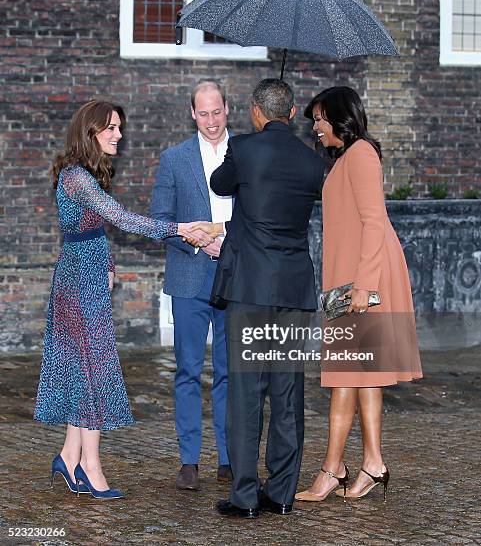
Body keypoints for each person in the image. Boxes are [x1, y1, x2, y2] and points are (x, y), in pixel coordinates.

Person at [34, 100, 212, 499]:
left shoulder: (87, 176)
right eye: (111, 128)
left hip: (89, 273)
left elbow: (94, 229)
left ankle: (69, 456)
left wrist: (110, 262)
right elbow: (123, 219)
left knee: (83, 370)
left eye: (119, 128)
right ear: (90, 131)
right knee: (93, 369)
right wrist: (180, 228)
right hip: (79, 280)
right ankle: (90, 466)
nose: (119, 135)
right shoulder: (77, 177)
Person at [204, 79, 326, 518]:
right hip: (294, 290)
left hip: (251, 290)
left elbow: (220, 185)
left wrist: (238, 151)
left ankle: (244, 496)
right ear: (292, 114)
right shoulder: (312, 162)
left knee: (246, 393)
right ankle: (282, 494)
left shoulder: (244, 148)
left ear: (256, 111)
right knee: (288, 393)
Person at [295, 86, 422, 504]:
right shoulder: (346, 158)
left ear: (340, 117)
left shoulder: (362, 154)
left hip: (365, 282)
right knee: (358, 374)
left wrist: (365, 288)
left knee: (349, 374)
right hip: (349, 281)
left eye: (319, 119)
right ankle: (367, 464)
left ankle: (337, 468)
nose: (315, 127)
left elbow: (373, 222)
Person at [150, 80, 233, 491]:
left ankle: (229, 458)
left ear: (227, 109)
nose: (212, 120)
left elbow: (259, 215)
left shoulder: (246, 155)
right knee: (187, 370)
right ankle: (189, 461)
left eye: (217, 111)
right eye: (204, 113)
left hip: (235, 275)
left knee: (229, 371)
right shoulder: (173, 159)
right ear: (192, 113)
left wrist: (227, 239)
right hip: (188, 277)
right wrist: (194, 239)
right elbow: (161, 222)